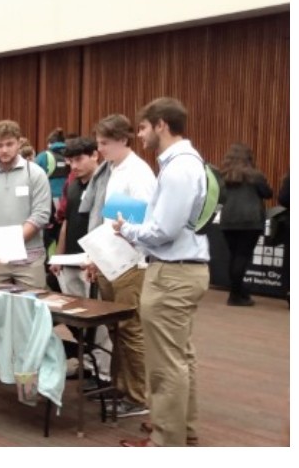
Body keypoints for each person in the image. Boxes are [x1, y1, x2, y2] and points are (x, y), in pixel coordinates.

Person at [113, 98, 210, 448]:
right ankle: (181, 427)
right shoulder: (186, 162)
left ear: (161, 125)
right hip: (181, 270)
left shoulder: (179, 167)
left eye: (142, 127)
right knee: (180, 356)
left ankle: (166, 440)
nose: (139, 135)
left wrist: (127, 230)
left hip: (172, 273)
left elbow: (162, 231)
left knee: (165, 362)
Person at [78, 112, 156, 419]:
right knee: (116, 328)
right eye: (98, 143)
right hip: (112, 260)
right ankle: (120, 386)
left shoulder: (139, 173)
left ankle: (137, 396)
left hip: (131, 263)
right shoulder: (113, 169)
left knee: (129, 327)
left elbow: (144, 223)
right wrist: (98, 257)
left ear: (123, 140)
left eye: (105, 143)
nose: (100, 150)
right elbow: (109, 220)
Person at [49, 137, 111, 385]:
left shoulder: (107, 184)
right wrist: (58, 256)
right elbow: (65, 221)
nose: (74, 165)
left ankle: (103, 374)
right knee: (78, 321)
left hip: (94, 264)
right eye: (70, 160)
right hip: (71, 261)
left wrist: (98, 260)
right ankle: (87, 365)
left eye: (79, 159)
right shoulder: (71, 185)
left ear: (95, 155)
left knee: (99, 324)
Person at [0, 119, 51, 289]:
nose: (4, 150)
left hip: (30, 260)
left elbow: (40, 215)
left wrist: (10, 243)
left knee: (31, 309)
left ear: (19, 143)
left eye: (9, 144)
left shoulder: (36, 174)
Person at [218, 142, 273, 307]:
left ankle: (238, 291)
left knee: (234, 256)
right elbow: (267, 193)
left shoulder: (223, 176)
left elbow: (220, 198)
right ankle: (235, 295)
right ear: (248, 158)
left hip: (228, 220)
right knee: (243, 256)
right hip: (250, 220)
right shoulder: (255, 176)